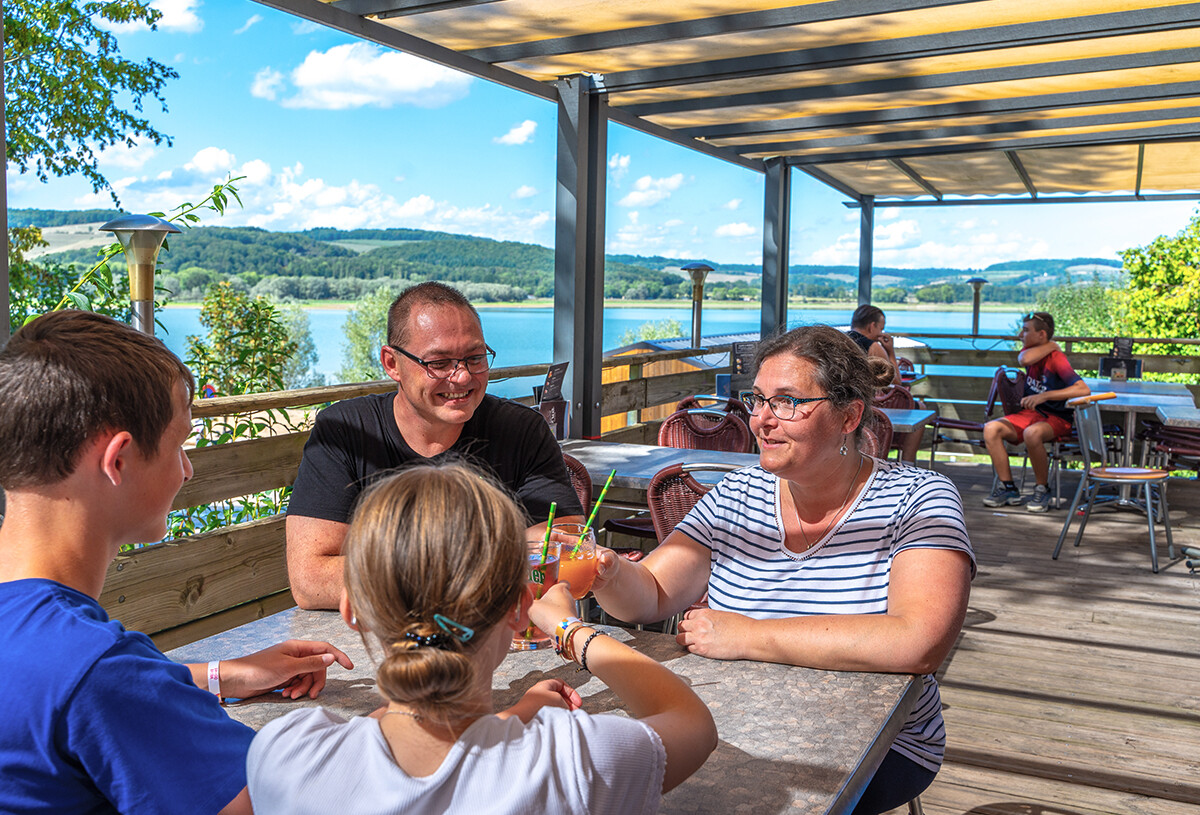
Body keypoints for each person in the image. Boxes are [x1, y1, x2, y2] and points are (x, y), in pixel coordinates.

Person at [590, 325, 975, 815]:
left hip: (878, 740)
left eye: (787, 402)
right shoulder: (738, 493)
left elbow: (919, 641)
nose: (761, 420)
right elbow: (651, 594)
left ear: (849, 416)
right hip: (735, 717)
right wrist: (608, 572)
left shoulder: (918, 498)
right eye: (757, 400)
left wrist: (749, 635)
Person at [0, 310, 353, 815]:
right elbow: (282, 800)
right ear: (118, 460)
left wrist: (219, 675)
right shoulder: (95, 668)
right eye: (179, 446)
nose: (186, 471)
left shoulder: (65, 658)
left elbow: (51, 689)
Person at [248, 462, 717, 814]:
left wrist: (512, 715)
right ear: (518, 609)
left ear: (352, 609)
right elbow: (693, 723)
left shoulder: (286, 754)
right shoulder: (572, 762)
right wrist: (569, 628)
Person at [286, 282, 584, 610]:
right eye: (439, 363)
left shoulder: (522, 429)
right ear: (392, 363)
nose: (463, 377)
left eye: (475, 358)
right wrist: (480, 560)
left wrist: (398, 570)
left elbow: (565, 549)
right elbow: (311, 580)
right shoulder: (345, 430)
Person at [982, 311, 1090, 512]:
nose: (1020, 335)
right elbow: (1023, 359)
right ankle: (1008, 487)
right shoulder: (1034, 353)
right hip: (1032, 415)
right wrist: (1051, 344)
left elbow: (1083, 389)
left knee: (1032, 434)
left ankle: (1042, 488)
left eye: (1025, 330)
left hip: (1057, 418)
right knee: (991, 428)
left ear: (1041, 334)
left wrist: (1045, 396)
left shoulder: (1056, 358)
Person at [846, 305, 924, 463]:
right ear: (872, 326)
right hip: (872, 406)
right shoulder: (873, 347)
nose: (881, 333)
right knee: (919, 408)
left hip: (846, 402)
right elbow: (895, 382)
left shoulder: (840, 342)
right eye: (881, 328)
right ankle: (907, 462)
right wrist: (890, 352)